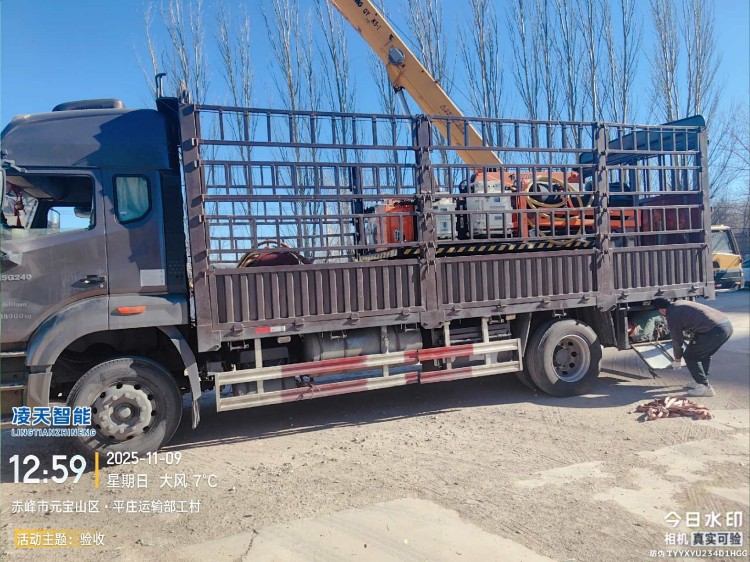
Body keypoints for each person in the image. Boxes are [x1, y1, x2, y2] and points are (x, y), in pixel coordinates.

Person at [652, 298, 733, 397]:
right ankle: (699, 380)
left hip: (713, 330)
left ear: (662, 310)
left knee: (690, 356)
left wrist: (677, 359)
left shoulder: (672, 315)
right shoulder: (679, 303)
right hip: (726, 326)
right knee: (703, 354)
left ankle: (704, 388)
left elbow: (677, 340)